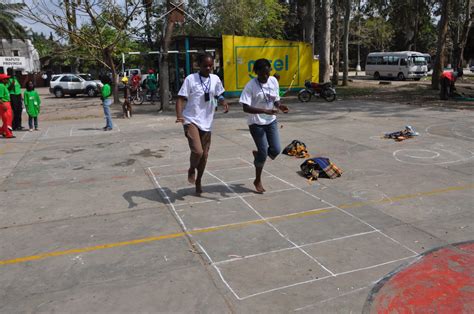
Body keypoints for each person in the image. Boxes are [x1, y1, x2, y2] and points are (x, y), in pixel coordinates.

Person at [176, 53, 229, 195]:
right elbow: (180, 98)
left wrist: (223, 101)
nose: (208, 68)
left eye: (210, 65)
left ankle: (199, 180)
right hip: (190, 120)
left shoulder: (215, 79)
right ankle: (192, 168)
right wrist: (179, 115)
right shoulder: (190, 79)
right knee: (197, 151)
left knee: (204, 156)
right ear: (198, 65)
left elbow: (219, 94)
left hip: (207, 122)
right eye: (205, 65)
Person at [240, 59, 289, 193]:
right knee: (263, 152)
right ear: (256, 73)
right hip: (256, 123)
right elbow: (245, 107)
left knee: (277, 149)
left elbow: (275, 99)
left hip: (271, 121)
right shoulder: (250, 86)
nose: (266, 77)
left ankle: (260, 155)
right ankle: (257, 180)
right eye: (262, 74)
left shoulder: (273, 81)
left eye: (268, 73)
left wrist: (280, 106)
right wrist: (264, 111)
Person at [0, 73, 14, 138]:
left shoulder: (4, 85)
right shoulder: (1, 86)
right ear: (2, 80)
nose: (8, 80)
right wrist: (3, 105)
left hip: (7, 103)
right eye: (6, 79)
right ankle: (8, 133)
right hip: (4, 103)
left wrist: (12, 84)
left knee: (9, 118)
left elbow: (8, 90)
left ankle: (2, 131)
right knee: (6, 120)